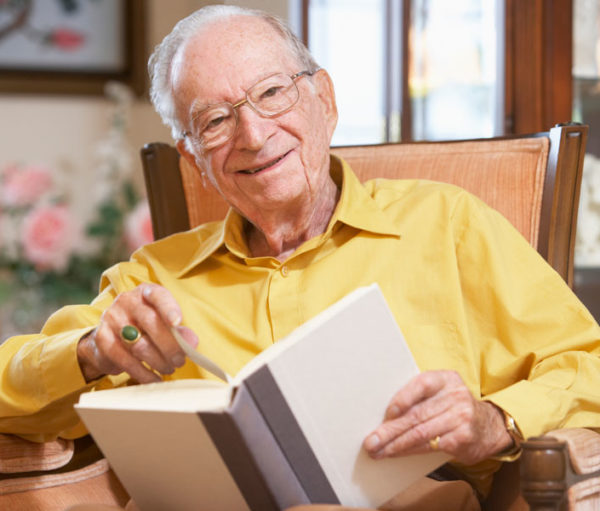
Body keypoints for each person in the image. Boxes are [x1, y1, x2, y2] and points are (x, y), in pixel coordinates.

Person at [0, 5, 599, 510]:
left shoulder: (448, 225)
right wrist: (89, 351)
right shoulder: (154, 278)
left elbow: (587, 363)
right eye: (215, 121)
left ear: (324, 99)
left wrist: (495, 422)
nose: (254, 136)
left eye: (271, 93)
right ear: (193, 158)